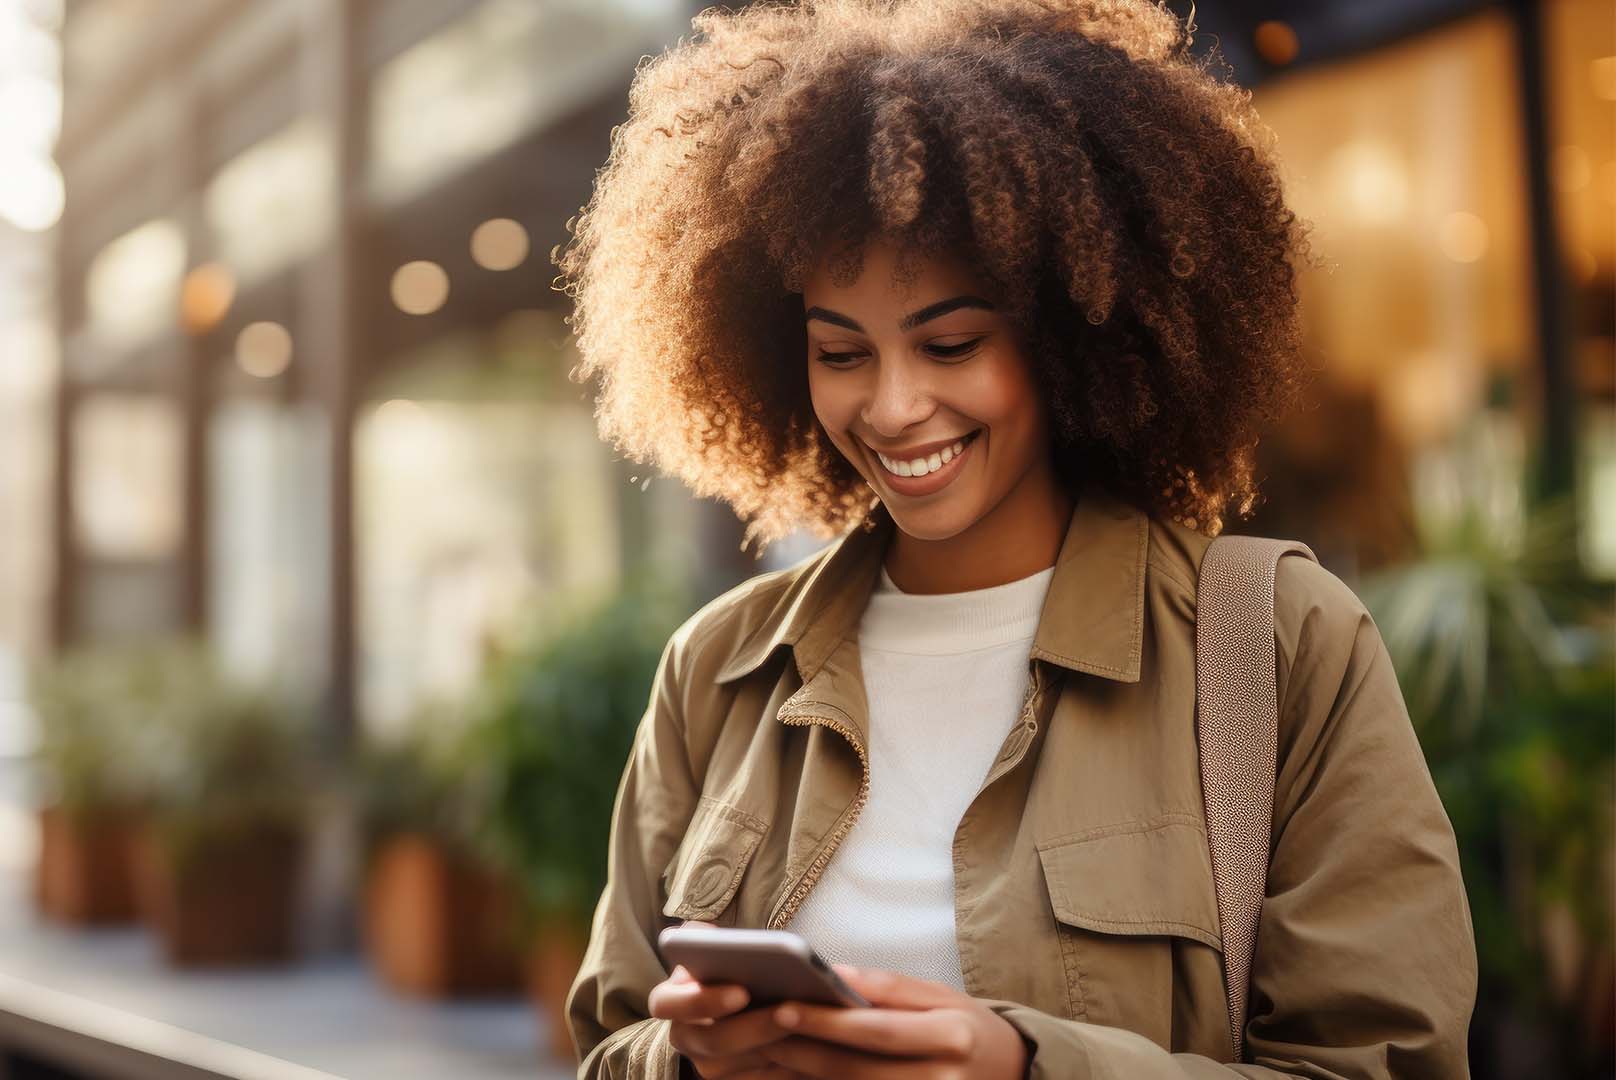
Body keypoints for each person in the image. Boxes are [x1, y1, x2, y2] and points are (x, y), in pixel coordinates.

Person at [553, 1, 1476, 1078]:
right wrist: (692, 1060)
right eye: (841, 353)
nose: (895, 407)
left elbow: (1384, 1063)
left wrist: (1028, 1065)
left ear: (1075, 330)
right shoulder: (718, 674)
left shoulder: (1272, 645)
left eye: (950, 343)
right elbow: (608, 1045)